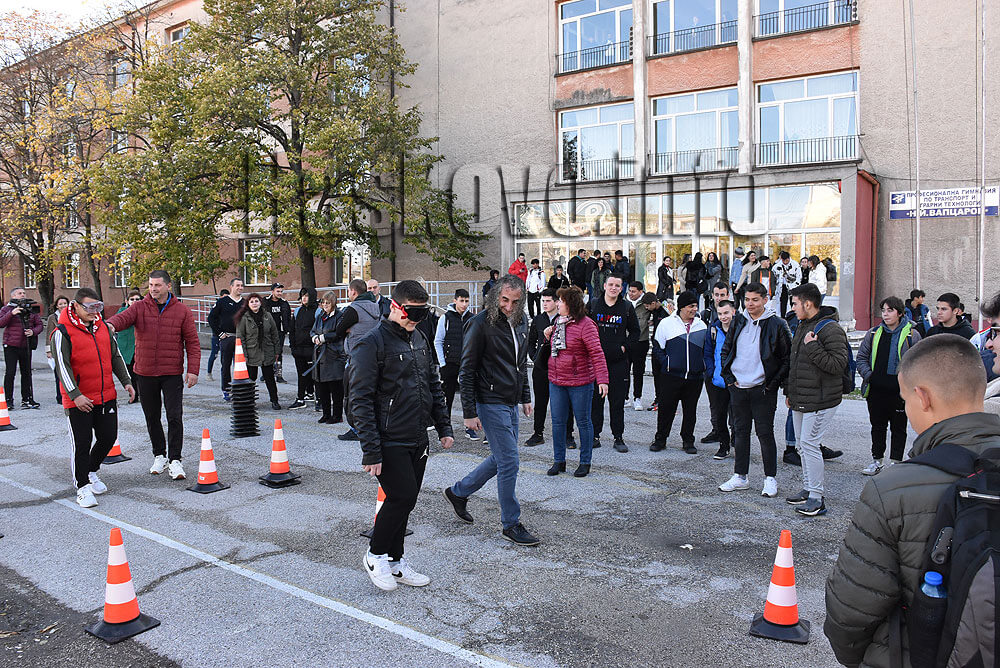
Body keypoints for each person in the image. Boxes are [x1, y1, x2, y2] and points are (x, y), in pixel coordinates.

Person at [824, 334, 1000, 668]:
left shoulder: (892, 488)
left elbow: (852, 607)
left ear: (922, 397)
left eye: (905, 400)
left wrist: (855, 658)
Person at [350, 280, 453, 591]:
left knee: (407, 501)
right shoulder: (371, 344)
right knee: (401, 496)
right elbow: (360, 401)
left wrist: (444, 426)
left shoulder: (419, 337)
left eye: (422, 313)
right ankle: (375, 555)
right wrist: (371, 450)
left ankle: (395, 561)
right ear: (395, 306)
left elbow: (432, 384)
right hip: (388, 437)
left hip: (417, 434)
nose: (416, 320)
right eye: (411, 312)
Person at [443, 275, 539, 546]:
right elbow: (467, 371)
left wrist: (525, 396)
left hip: (510, 400)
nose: (509, 306)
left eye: (515, 302)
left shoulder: (521, 320)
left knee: (501, 458)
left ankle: (459, 492)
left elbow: (520, 364)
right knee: (510, 462)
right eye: (504, 300)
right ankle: (511, 523)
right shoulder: (479, 323)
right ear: (496, 296)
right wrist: (469, 412)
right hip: (489, 400)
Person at [108, 270, 200, 480]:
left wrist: (193, 370)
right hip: (145, 372)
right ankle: (160, 455)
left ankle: (175, 460)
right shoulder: (139, 307)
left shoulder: (182, 311)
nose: (153, 289)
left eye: (157, 285)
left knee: (174, 416)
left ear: (168, 286)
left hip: (171, 373)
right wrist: (110, 325)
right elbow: (122, 318)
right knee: (152, 417)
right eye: (150, 285)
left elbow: (192, 342)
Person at [51, 288, 135, 508]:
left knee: (108, 437)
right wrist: (75, 395)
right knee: (82, 443)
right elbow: (62, 367)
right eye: (89, 307)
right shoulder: (62, 332)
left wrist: (126, 381)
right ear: (76, 306)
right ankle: (82, 487)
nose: (94, 311)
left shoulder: (103, 327)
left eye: (98, 306)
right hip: (79, 400)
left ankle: (90, 471)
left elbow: (115, 355)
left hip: (105, 394)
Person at [718, 283, 791, 498]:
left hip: (763, 389)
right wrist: (729, 379)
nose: (750, 304)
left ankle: (770, 479)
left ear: (765, 300)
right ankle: (740, 476)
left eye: (755, 300)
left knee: (765, 434)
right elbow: (726, 350)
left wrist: (772, 384)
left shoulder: (777, 324)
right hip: (738, 387)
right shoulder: (738, 320)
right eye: (747, 299)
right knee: (740, 433)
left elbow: (787, 358)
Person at [784, 282, 848, 517]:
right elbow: (795, 363)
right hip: (801, 397)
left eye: (795, 303)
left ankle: (816, 498)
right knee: (802, 446)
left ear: (808, 304)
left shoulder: (831, 329)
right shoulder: (803, 324)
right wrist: (790, 392)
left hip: (821, 400)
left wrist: (813, 346)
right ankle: (808, 489)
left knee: (810, 445)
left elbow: (838, 365)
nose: (793, 308)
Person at [545, 287, 608, 477]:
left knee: (583, 422)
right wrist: (548, 336)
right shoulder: (558, 322)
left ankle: (585, 462)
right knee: (557, 422)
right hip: (557, 380)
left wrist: (602, 379)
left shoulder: (586, 325)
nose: (557, 304)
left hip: (580, 382)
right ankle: (559, 461)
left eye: (561, 301)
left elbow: (597, 353)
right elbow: (558, 350)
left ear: (570, 304)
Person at [856, 296, 921, 476]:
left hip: (899, 392)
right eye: (883, 310)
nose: (885, 314)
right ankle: (876, 461)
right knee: (877, 427)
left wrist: (906, 383)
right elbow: (861, 358)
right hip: (876, 390)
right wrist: (870, 376)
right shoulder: (873, 333)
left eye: (890, 310)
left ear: (900, 313)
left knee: (898, 428)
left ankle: (896, 463)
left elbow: (918, 363)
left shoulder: (912, 335)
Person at [650, 291, 708, 454]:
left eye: (695, 306)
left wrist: (702, 366)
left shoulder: (702, 326)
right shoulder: (666, 324)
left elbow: (706, 350)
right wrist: (667, 363)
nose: (694, 309)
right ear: (681, 307)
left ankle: (688, 440)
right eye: (691, 306)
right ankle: (660, 439)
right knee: (666, 410)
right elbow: (657, 347)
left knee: (690, 411)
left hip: (694, 377)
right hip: (671, 376)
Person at [588, 273, 640, 452]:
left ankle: (618, 437)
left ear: (621, 288)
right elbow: (582, 326)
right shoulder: (594, 304)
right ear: (604, 286)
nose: (613, 288)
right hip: (596, 362)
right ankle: (594, 436)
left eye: (617, 285)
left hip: (618, 363)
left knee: (617, 402)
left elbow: (635, 332)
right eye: (610, 284)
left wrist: (624, 348)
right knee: (595, 401)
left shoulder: (626, 307)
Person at [525, 288, 576, 448]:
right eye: (543, 301)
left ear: (557, 302)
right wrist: (534, 357)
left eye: (548, 301)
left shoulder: (565, 319)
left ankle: (568, 435)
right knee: (540, 402)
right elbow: (531, 341)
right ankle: (538, 433)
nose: (545, 304)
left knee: (565, 403)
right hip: (541, 368)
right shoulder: (538, 319)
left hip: (561, 368)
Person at [334, 278, 383, 441]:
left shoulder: (353, 309)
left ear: (353, 291)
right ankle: (373, 427)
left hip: (355, 357)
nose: (348, 293)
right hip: (373, 357)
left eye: (348, 291)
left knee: (353, 395)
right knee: (371, 395)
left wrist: (348, 329)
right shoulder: (376, 306)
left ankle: (356, 429)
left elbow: (338, 330)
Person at [434, 289, 475, 436]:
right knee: (447, 397)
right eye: (461, 300)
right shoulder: (445, 318)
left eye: (466, 301)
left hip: (468, 364)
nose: (464, 304)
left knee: (469, 396)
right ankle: (446, 429)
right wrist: (443, 364)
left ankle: (470, 428)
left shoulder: (472, 319)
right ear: (455, 300)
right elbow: (438, 341)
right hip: (450, 363)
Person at [235, 293, 282, 410]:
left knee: (270, 378)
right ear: (248, 304)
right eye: (251, 302)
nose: (254, 304)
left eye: (256, 301)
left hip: (267, 352)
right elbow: (240, 338)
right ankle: (249, 402)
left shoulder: (267, 316)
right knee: (251, 379)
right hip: (251, 353)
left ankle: (274, 401)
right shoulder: (244, 318)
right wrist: (244, 355)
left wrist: (277, 351)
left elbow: (274, 334)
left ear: (260, 303)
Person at [0, 287, 43, 409]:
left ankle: (27, 399)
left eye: (24, 293)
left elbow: (39, 325)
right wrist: (11, 313)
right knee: (10, 373)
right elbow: (1, 323)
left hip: (26, 345)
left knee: (27, 372)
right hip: (11, 345)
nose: (23, 295)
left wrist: (33, 332)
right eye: (20, 293)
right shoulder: (6, 309)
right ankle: (8, 400)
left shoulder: (30, 309)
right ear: (13, 296)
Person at [702, 299, 735, 459]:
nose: (723, 317)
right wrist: (711, 371)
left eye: (726, 313)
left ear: (733, 312)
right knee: (720, 416)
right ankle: (724, 445)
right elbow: (707, 353)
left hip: (736, 381)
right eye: (720, 314)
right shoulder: (713, 329)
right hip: (718, 380)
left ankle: (738, 443)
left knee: (738, 417)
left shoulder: (740, 329)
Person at [310, 291, 347, 423]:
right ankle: (326, 414)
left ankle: (337, 415)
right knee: (322, 388)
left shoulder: (339, 316)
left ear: (333, 303)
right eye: (323, 303)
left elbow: (338, 333)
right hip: (320, 355)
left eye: (328, 303)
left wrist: (323, 338)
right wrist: (315, 337)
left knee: (335, 389)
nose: (325, 305)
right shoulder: (320, 315)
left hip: (334, 356)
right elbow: (312, 330)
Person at [207, 278, 245, 401]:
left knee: (240, 366)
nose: (240, 288)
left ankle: (240, 390)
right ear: (231, 287)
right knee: (226, 365)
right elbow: (211, 318)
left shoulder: (245, 303)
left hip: (241, 339)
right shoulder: (222, 302)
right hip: (227, 338)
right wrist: (220, 333)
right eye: (237, 285)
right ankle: (226, 390)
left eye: (242, 285)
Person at [288, 287, 318, 410]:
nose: (304, 298)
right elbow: (292, 330)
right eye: (302, 296)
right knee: (301, 374)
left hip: (312, 349)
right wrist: (293, 347)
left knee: (315, 375)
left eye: (306, 296)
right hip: (298, 349)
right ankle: (301, 398)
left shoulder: (317, 311)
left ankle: (317, 398)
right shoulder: (297, 311)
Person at [642, 292, 671, 413]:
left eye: (647, 306)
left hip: (666, 348)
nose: (646, 308)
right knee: (656, 374)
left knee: (664, 376)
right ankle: (658, 398)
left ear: (653, 303)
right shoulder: (654, 311)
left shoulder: (666, 310)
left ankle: (666, 400)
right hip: (656, 346)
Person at [113, 291, 143, 404]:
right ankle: (133, 395)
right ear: (127, 301)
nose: (135, 301)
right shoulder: (122, 312)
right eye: (132, 299)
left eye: (137, 299)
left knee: (141, 373)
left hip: (139, 347)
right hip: (126, 348)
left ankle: (142, 394)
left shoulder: (144, 312)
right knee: (130, 373)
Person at [262, 282, 292, 383]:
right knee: (267, 352)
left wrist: (288, 329)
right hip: (267, 332)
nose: (280, 293)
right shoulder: (265, 301)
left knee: (278, 353)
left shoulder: (284, 303)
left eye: (281, 291)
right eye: (277, 291)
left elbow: (288, 317)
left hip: (280, 331)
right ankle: (267, 373)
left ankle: (279, 375)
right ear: (272, 291)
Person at [44, 295, 69, 405]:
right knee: (58, 374)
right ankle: (60, 396)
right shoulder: (52, 318)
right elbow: (49, 334)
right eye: (60, 304)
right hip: (57, 347)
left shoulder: (72, 315)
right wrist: (48, 350)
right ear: (57, 306)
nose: (63, 306)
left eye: (65, 303)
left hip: (70, 347)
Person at [206, 287, 230, 382]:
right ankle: (209, 373)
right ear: (220, 297)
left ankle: (225, 374)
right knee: (214, 354)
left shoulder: (228, 306)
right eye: (224, 297)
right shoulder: (217, 307)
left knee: (226, 356)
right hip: (217, 335)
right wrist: (218, 333)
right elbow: (211, 320)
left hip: (226, 335)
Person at [773, 251, 801, 318]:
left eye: (786, 260)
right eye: (783, 260)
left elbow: (799, 277)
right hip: (782, 287)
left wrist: (796, 286)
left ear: (789, 258)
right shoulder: (776, 266)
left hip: (793, 287)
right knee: (782, 303)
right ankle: (782, 318)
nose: (785, 262)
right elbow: (773, 278)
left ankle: (794, 317)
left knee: (793, 302)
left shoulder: (795, 265)